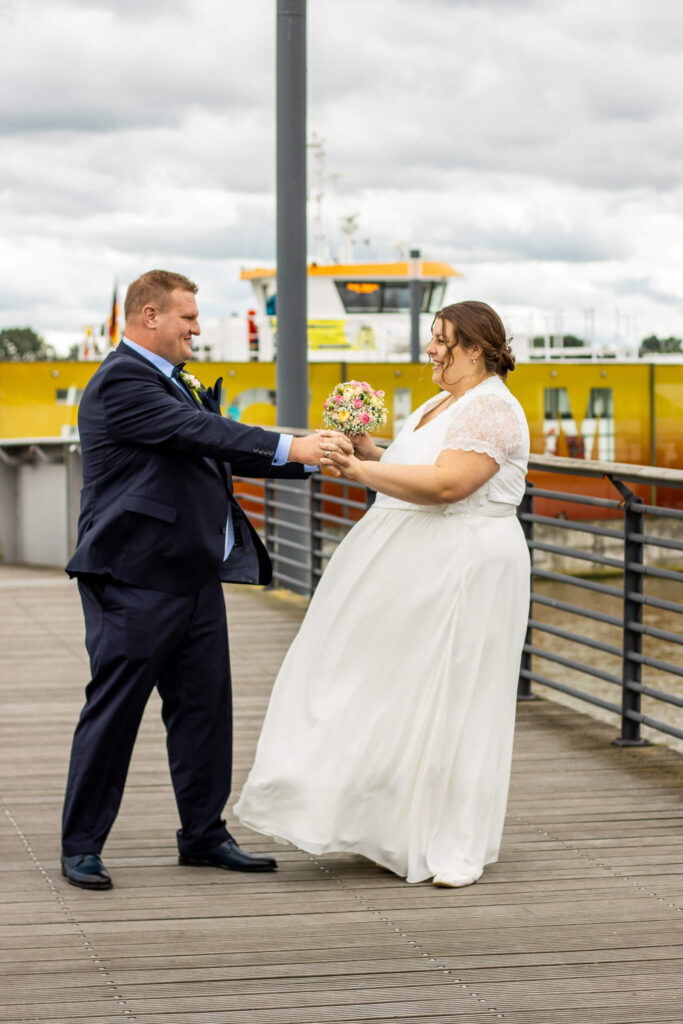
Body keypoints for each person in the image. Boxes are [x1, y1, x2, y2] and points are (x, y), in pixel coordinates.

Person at [60, 269, 351, 890]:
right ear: (149, 317)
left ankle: (204, 834)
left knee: (204, 711)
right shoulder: (121, 381)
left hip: (193, 574)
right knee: (115, 711)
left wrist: (317, 460)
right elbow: (201, 431)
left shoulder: (168, 382)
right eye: (188, 317)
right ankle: (81, 843)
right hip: (133, 575)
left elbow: (216, 450)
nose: (198, 328)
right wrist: (292, 444)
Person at [235, 300, 531, 888]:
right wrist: (372, 451)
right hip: (421, 569)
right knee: (397, 690)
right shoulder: (443, 402)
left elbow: (450, 483)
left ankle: (444, 836)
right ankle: (391, 825)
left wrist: (358, 471)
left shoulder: (493, 407)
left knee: (450, 695)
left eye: (442, 340)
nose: (431, 349)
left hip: (463, 568)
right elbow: (421, 461)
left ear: (476, 348)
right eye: (433, 337)